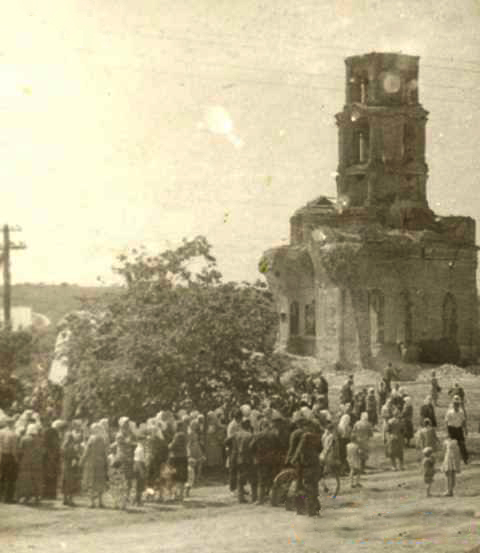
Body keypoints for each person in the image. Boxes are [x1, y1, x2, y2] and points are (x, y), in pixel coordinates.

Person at [291, 417, 322, 517]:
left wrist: (293, 460)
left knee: (307, 486)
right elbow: (320, 449)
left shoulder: (305, 436)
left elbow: (299, 449)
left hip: (306, 465)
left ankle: (310, 510)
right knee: (314, 486)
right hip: (316, 464)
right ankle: (315, 508)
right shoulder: (317, 436)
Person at [80, 422, 109, 508]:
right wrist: (105, 462)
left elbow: (87, 451)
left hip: (91, 463)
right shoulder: (102, 439)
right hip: (100, 463)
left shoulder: (91, 439)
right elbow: (104, 453)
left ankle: (92, 502)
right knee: (100, 482)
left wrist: (82, 460)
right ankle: (100, 501)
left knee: (91, 481)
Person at [16, 423, 45, 504]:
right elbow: (42, 451)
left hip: (26, 462)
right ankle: (37, 497)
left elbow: (20, 450)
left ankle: (26, 497)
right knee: (36, 479)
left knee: (26, 480)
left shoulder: (24, 439)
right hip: (37, 462)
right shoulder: (40, 439)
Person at [232, 418, 257, 504]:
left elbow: (230, 444)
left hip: (239, 458)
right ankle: (254, 497)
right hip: (248, 458)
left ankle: (240, 498)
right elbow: (253, 448)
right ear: (248, 425)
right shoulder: (250, 435)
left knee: (240, 478)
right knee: (253, 478)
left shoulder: (236, 435)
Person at [168, 420, 189, 503]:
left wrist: (169, 445)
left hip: (176, 458)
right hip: (183, 457)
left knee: (175, 477)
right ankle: (180, 495)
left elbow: (172, 446)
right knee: (182, 477)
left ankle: (176, 495)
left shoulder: (178, 435)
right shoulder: (184, 435)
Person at [0, 416, 19, 503]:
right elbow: (14, 449)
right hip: (10, 456)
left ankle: (1, 496)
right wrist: (16, 459)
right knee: (10, 478)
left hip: (2, 455)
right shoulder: (13, 434)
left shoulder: (1, 432)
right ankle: (8, 498)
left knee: (2, 476)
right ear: (12, 424)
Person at [445, 395, 468, 464]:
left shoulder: (461, 412)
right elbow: (446, 422)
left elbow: (463, 421)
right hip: (452, 429)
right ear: (453, 404)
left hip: (459, 429)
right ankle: (452, 460)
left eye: (457, 404)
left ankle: (465, 459)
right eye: (455, 403)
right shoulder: (449, 412)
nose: (456, 405)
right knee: (452, 445)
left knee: (462, 444)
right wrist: (447, 432)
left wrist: (465, 429)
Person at [43, 419, 62, 500]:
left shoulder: (46, 432)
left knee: (47, 475)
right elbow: (57, 445)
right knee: (53, 475)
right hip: (53, 456)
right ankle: (52, 494)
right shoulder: (55, 433)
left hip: (48, 456)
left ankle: (46, 493)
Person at [225, 409, 242, 494]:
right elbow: (230, 438)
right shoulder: (232, 425)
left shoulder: (238, 424)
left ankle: (238, 487)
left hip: (238, 447)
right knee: (233, 469)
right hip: (232, 447)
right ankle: (232, 488)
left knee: (238, 468)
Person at [61, 431, 79, 506]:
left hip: (64, 465)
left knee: (65, 482)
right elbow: (75, 457)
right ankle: (70, 499)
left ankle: (64, 499)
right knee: (71, 483)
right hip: (70, 466)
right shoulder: (72, 447)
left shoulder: (63, 447)